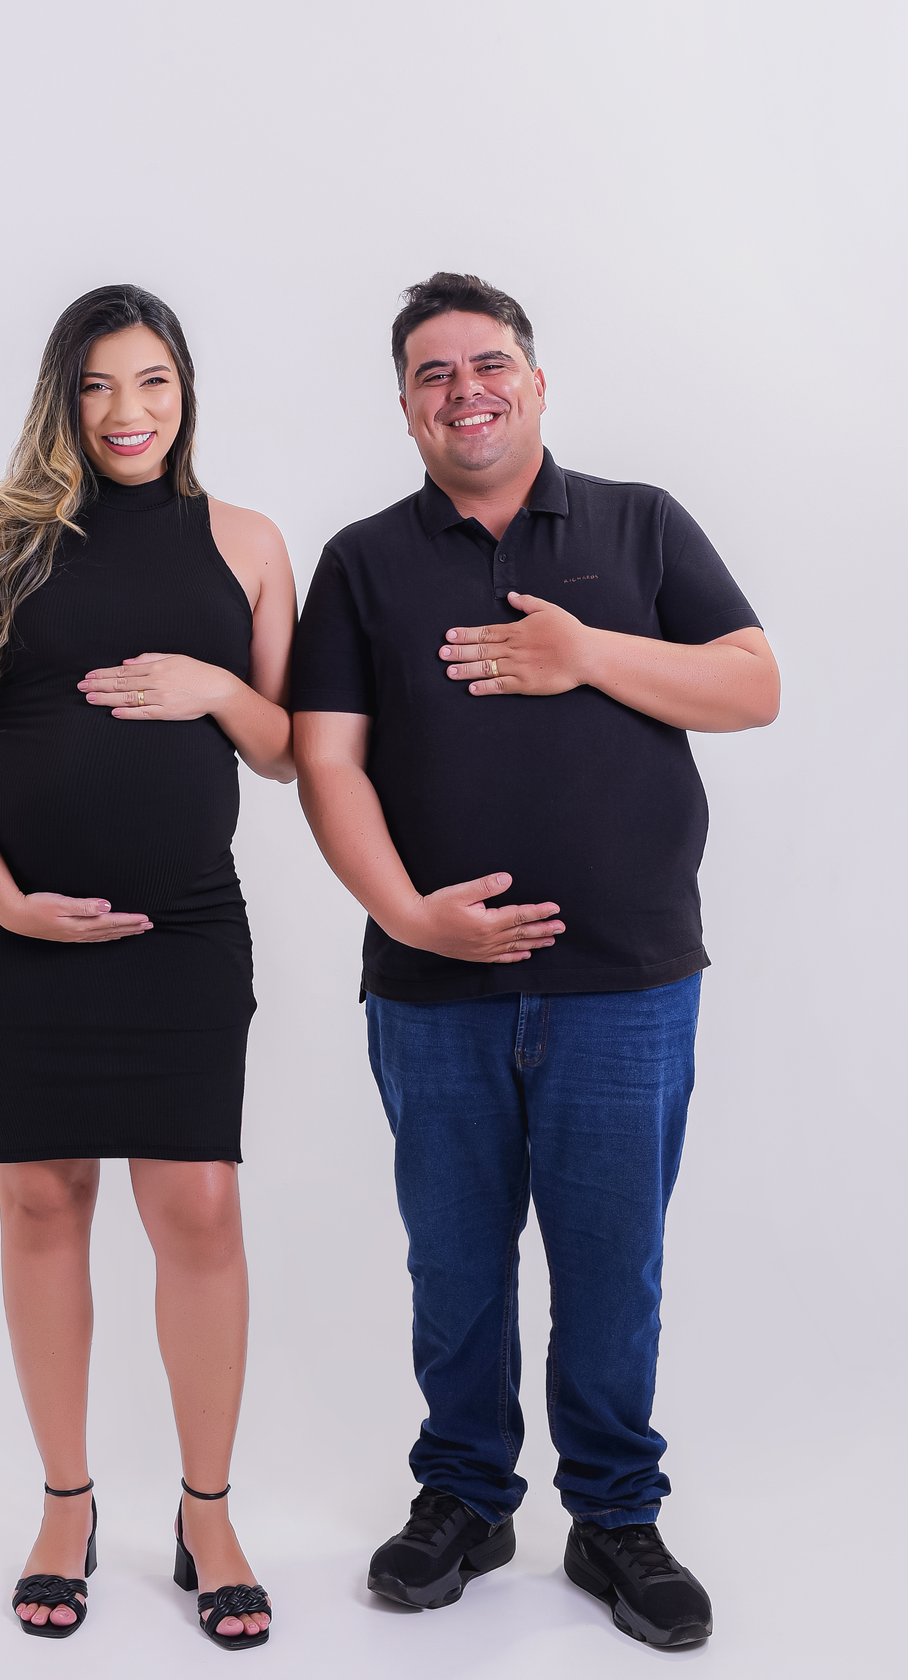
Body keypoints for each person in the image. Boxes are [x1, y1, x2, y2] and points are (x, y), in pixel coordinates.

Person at [291, 272, 779, 1649]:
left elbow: (753, 683)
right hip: (434, 989)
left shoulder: (640, 524)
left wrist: (587, 653)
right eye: (434, 374)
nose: (466, 390)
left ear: (537, 381)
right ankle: (465, 1497)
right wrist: (408, 915)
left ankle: (615, 1517)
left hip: (626, 982)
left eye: (489, 363)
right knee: (454, 1264)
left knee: (612, 1266)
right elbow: (325, 761)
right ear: (405, 409)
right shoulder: (363, 561)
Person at [0, 284, 295, 1649]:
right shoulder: (3, 536)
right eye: (98, 385)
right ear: (62, 399)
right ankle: (65, 1506)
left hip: (184, 926)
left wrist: (219, 690)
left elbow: (289, 748)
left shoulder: (247, 542)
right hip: (12, 928)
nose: (128, 412)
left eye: (153, 382)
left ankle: (207, 1514)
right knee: (42, 1198)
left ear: (187, 392)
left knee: (200, 1208)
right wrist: (4, 900)